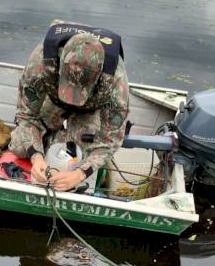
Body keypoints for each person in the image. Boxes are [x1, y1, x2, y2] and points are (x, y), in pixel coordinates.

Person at [9, 21, 130, 191]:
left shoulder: (116, 85)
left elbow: (109, 141)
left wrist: (80, 174)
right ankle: (48, 142)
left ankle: (59, 143)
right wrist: (36, 157)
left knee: (81, 156)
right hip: (54, 97)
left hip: (90, 107)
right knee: (19, 147)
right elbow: (27, 116)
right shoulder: (40, 63)